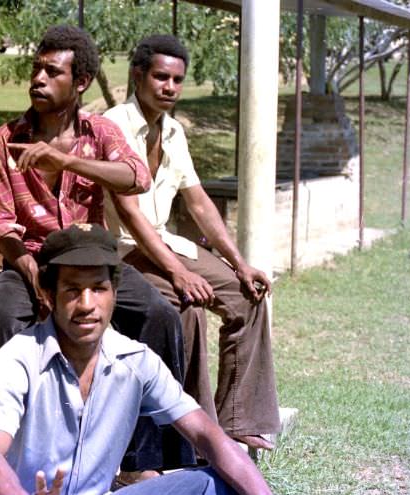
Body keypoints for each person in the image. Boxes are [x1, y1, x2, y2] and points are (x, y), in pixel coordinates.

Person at [0, 24, 195, 478]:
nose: (38, 79)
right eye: (36, 69)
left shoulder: (99, 132)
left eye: (52, 72)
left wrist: (68, 161)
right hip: (31, 259)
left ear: (79, 84)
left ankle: (140, 462)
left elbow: (137, 176)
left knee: (160, 315)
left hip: (95, 261)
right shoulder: (5, 139)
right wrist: (32, 270)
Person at [0, 224, 273, 495]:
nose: (87, 305)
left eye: (98, 289)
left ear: (114, 292)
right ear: (48, 294)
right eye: (72, 290)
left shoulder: (136, 361)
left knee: (216, 484)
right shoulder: (20, 356)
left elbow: (208, 435)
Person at [103, 34, 280, 451]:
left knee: (247, 297)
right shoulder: (112, 126)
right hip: (121, 249)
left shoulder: (173, 131)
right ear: (138, 76)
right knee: (186, 307)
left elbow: (198, 203)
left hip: (162, 241)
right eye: (161, 77)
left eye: (177, 80)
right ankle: (194, 429)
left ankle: (238, 418)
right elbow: (128, 212)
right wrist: (178, 272)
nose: (169, 87)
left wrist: (240, 263)